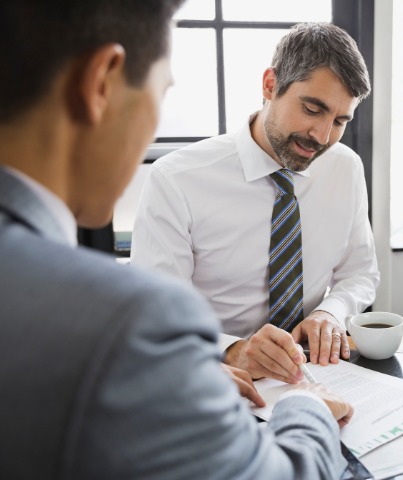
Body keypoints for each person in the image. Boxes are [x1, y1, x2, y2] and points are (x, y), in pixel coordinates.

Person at [0, 1, 352, 478]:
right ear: (101, 82)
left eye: (339, 120)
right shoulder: (129, 320)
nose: (323, 133)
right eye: (161, 92)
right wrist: (305, 406)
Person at [131, 22, 380, 385]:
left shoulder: (345, 167)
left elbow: (360, 273)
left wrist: (331, 312)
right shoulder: (175, 180)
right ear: (270, 85)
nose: (323, 137)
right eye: (312, 109)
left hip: (315, 374)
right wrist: (233, 350)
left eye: (340, 121)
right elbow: (157, 314)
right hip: (213, 375)